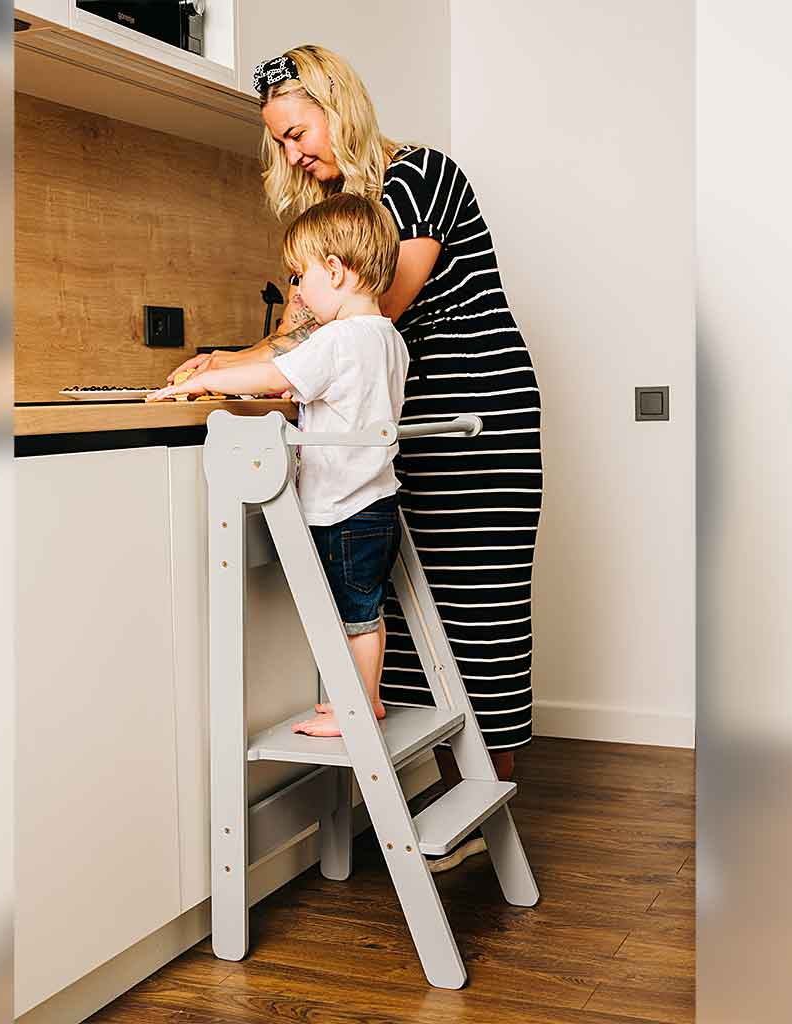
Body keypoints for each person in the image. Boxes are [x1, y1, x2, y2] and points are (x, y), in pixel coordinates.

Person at [170, 45, 542, 870]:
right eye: (279, 142)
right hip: (395, 431)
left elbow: (364, 312)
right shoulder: (343, 214)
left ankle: (483, 800)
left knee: (479, 607)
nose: (293, 153)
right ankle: (431, 797)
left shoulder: (417, 180)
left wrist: (239, 365)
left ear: (339, 107)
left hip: (476, 423)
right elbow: (309, 330)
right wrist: (233, 359)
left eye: (298, 132)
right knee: (396, 612)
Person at [151, 194, 408, 738]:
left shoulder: (338, 338)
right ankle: (368, 698)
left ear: (335, 271)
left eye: (299, 276)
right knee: (367, 608)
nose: (297, 291)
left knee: (353, 616)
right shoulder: (388, 337)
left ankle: (358, 708)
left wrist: (206, 380)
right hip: (378, 499)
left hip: (342, 506)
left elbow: (274, 374)